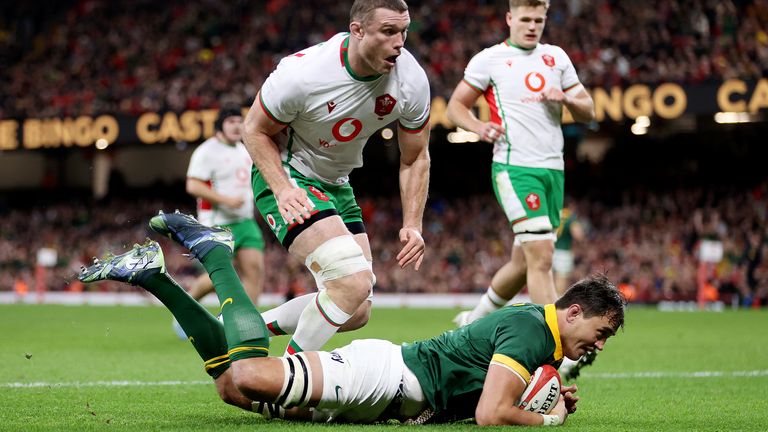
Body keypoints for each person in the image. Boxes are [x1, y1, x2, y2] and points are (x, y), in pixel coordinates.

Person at [78, 212, 625, 425]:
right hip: (384, 378)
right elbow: (489, 414)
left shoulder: (541, 333)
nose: (596, 347)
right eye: (598, 333)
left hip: (387, 397)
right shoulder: (533, 329)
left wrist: (544, 389)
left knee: (231, 388)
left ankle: (153, 275)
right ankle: (217, 253)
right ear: (574, 311)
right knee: (246, 377)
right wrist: (547, 420)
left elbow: (501, 385)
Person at [242, 0, 431, 355]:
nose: (400, 43)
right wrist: (282, 189)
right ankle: (289, 378)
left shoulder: (411, 80)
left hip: (337, 183)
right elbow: (253, 130)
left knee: (357, 309)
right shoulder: (303, 74)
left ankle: (244, 329)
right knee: (353, 282)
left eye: (404, 32)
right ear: (357, 31)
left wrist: (413, 223)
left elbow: (416, 156)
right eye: (388, 31)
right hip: (290, 176)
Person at [448, 0, 595, 327]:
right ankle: (554, 347)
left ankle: (472, 323)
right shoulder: (489, 60)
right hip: (514, 168)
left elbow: (589, 110)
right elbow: (455, 107)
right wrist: (478, 127)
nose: (532, 26)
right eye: (525, 19)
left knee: (521, 264)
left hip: (553, 170)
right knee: (542, 257)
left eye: (538, 20)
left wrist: (567, 99)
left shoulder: (556, 57)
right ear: (509, 18)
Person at [170, 106, 267, 339]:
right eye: (231, 121)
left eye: (239, 121)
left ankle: (247, 326)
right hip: (217, 223)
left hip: (245, 221)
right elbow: (193, 186)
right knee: (220, 276)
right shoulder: (207, 151)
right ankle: (185, 309)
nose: (236, 125)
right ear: (220, 125)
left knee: (254, 269)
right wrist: (225, 200)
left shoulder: (244, 150)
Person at [553, 204, 587, 296]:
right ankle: (557, 300)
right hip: (563, 251)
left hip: (550, 248)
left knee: (551, 277)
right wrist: (583, 243)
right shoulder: (570, 218)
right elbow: (578, 235)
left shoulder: (554, 214)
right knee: (562, 277)